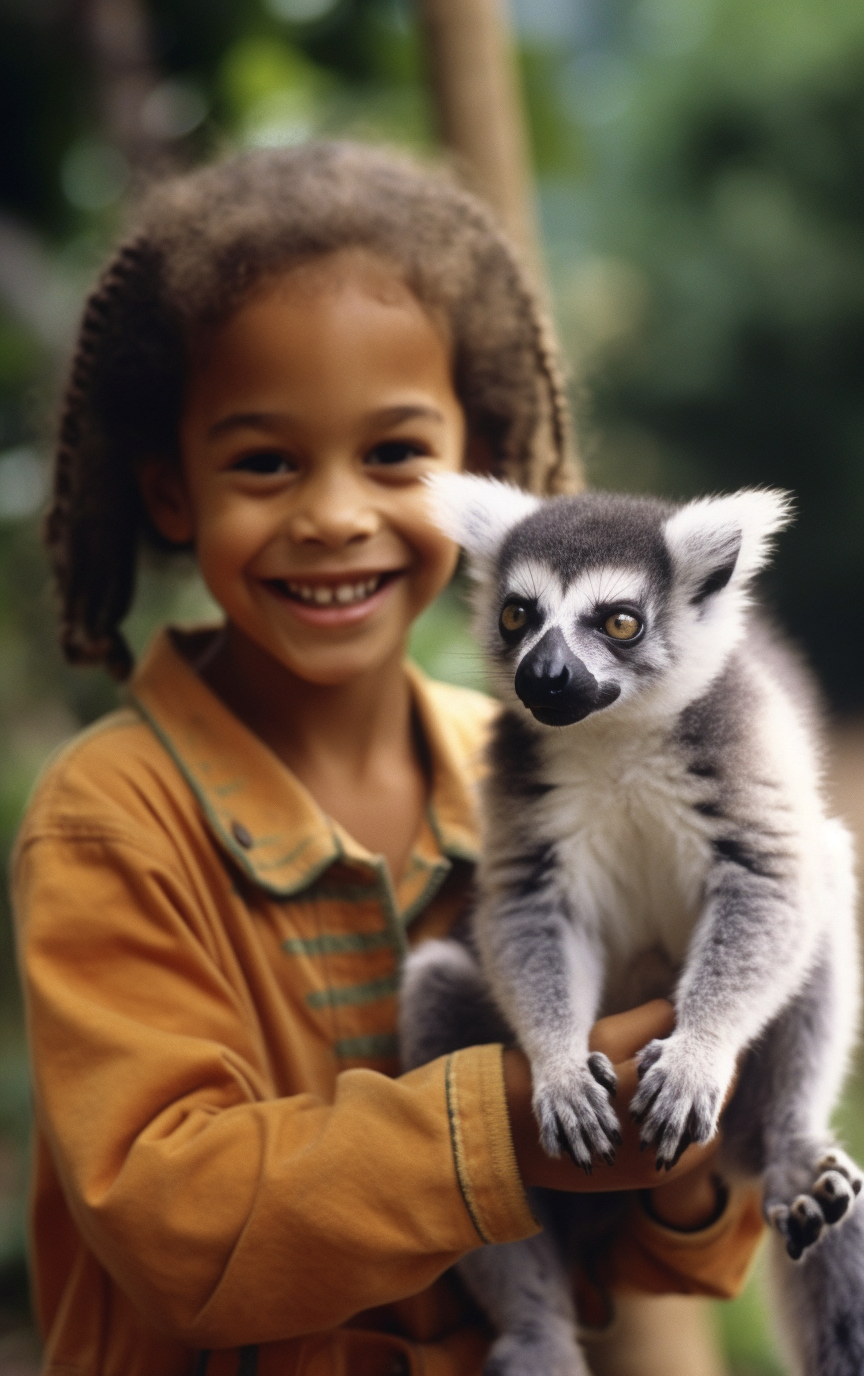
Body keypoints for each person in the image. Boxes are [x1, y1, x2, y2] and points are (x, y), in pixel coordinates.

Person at [12, 142, 763, 1376]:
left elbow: (646, 1258)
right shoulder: (114, 820)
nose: (336, 515)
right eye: (265, 461)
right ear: (169, 490)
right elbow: (176, 1225)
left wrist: (678, 1149)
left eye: (395, 456)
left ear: (490, 480)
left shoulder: (532, 764)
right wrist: (516, 1123)